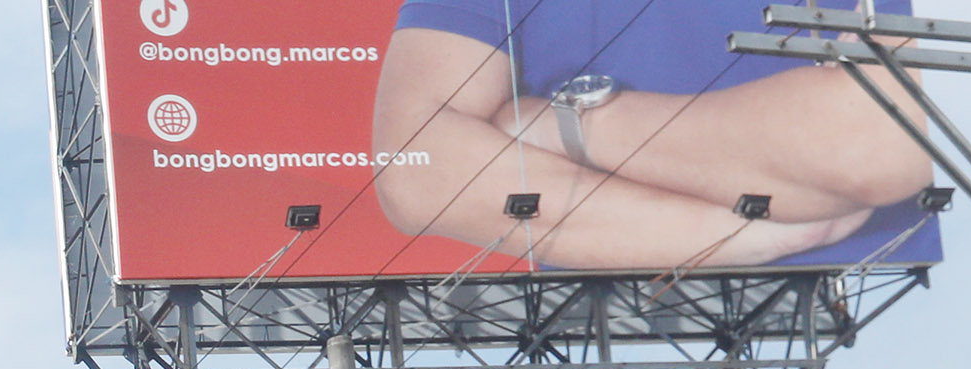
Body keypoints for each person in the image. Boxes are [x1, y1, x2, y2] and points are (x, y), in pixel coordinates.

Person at [372, 0, 937, 272]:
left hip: (887, 319)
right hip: (596, 354)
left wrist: (570, 123)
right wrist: (743, 235)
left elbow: (875, 142)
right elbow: (417, 173)